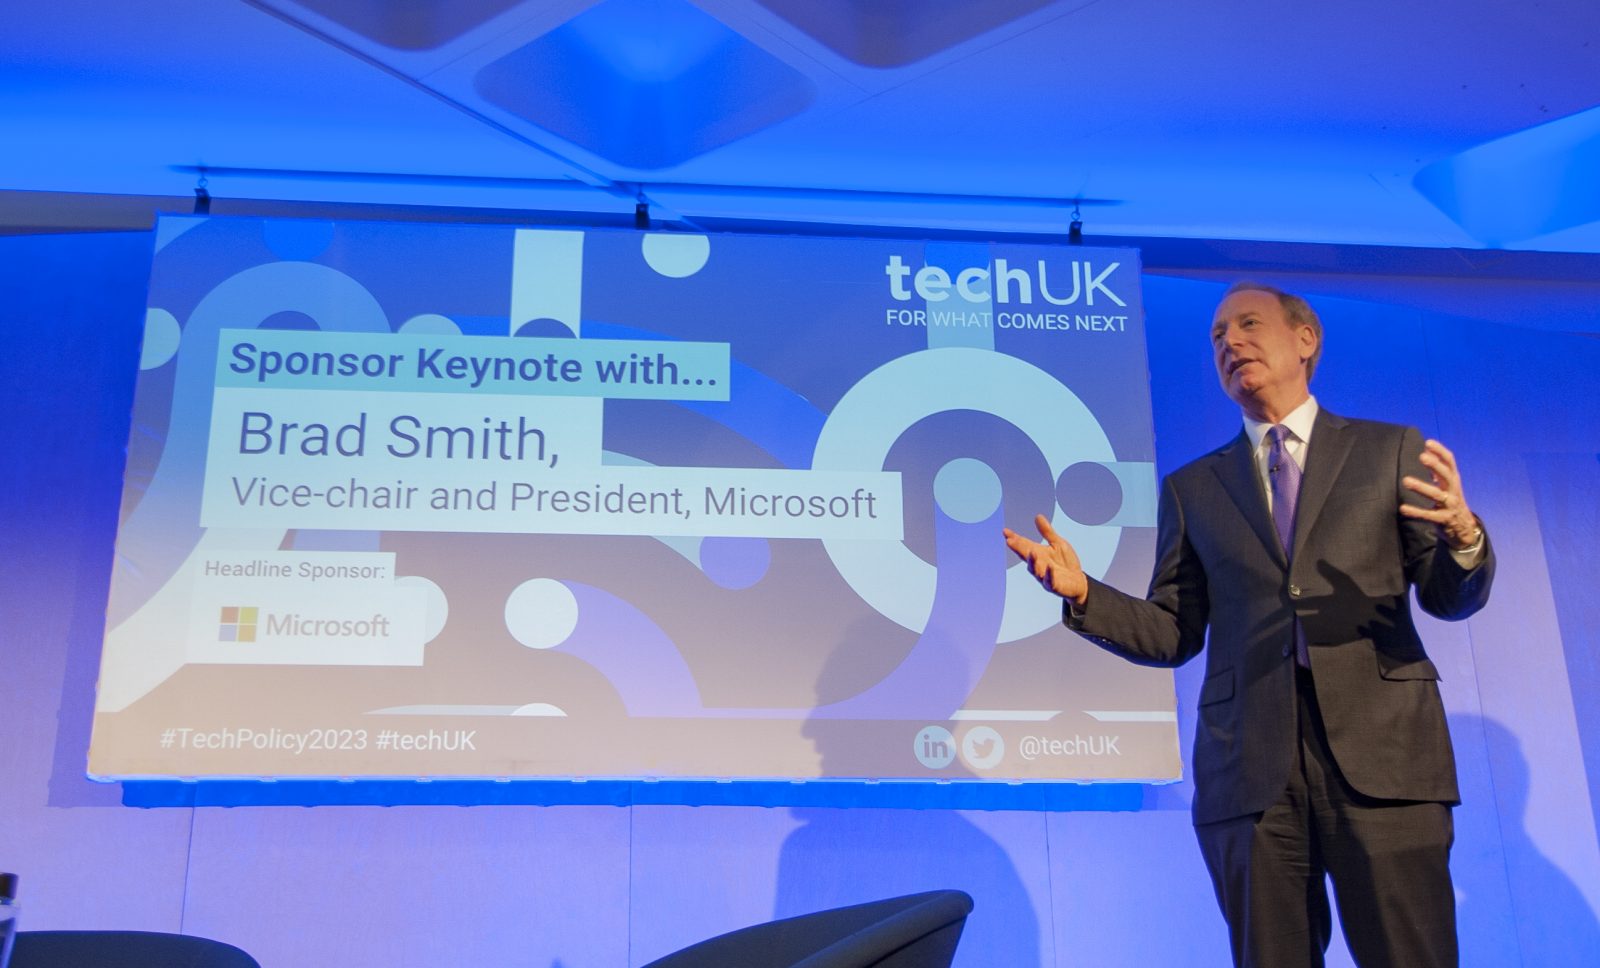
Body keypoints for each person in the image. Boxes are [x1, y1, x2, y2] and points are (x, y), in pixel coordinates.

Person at [1004, 282, 1494, 967]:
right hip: (1251, 779)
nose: (1229, 343)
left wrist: (1465, 537)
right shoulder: (1194, 488)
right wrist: (1086, 593)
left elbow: (1447, 597)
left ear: (1305, 339)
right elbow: (1175, 630)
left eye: (1247, 324)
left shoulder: (1390, 451)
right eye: (1216, 337)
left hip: (1385, 764)